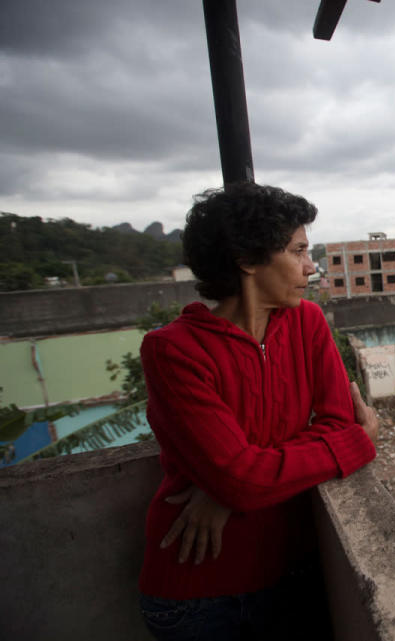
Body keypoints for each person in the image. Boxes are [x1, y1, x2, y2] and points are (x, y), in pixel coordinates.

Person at [137, 183, 378, 640]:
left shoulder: (307, 321)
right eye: (298, 251)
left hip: (290, 572)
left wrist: (228, 484)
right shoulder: (173, 351)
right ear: (247, 260)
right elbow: (244, 477)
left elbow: (332, 420)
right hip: (199, 596)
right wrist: (358, 443)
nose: (312, 266)